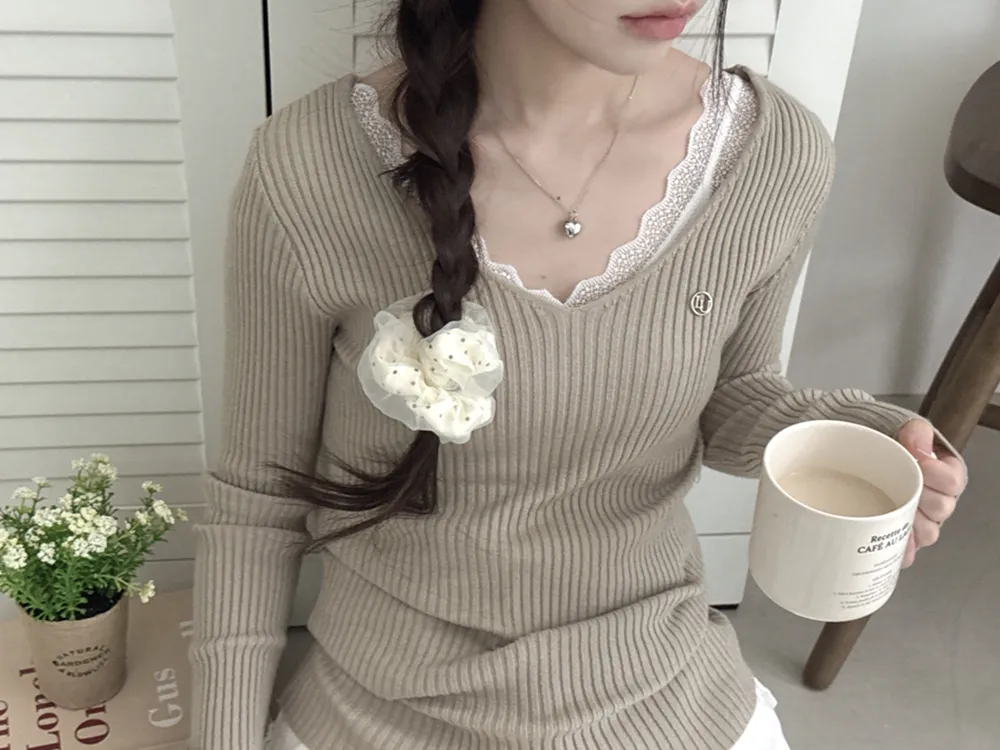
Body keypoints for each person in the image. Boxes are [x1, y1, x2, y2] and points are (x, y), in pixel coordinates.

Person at [190, 1, 968, 748]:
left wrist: (854, 438)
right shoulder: (311, 166)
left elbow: (734, 394)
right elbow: (258, 501)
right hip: (386, 702)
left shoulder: (769, 154)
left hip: (656, 683)